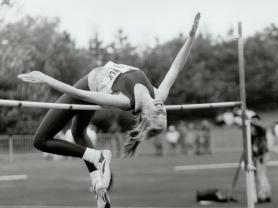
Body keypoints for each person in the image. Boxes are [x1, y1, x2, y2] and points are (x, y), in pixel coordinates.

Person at [17, 13, 201, 208]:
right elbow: (176, 68)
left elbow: (82, 94)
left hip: (86, 87)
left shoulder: (124, 100)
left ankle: (98, 157)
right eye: (164, 113)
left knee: (40, 141)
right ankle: (98, 183)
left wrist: (46, 79)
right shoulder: (158, 95)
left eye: (157, 115)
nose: (161, 109)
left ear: (145, 116)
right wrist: (191, 37)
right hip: (89, 87)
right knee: (78, 133)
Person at [250, 114, 271, 203]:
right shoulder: (254, 131)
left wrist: (253, 122)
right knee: (261, 175)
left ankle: (262, 195)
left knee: (260, 175)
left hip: (261, 154)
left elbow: (262, 127)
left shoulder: (261, 129)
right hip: (259, 154)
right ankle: (266, 194)